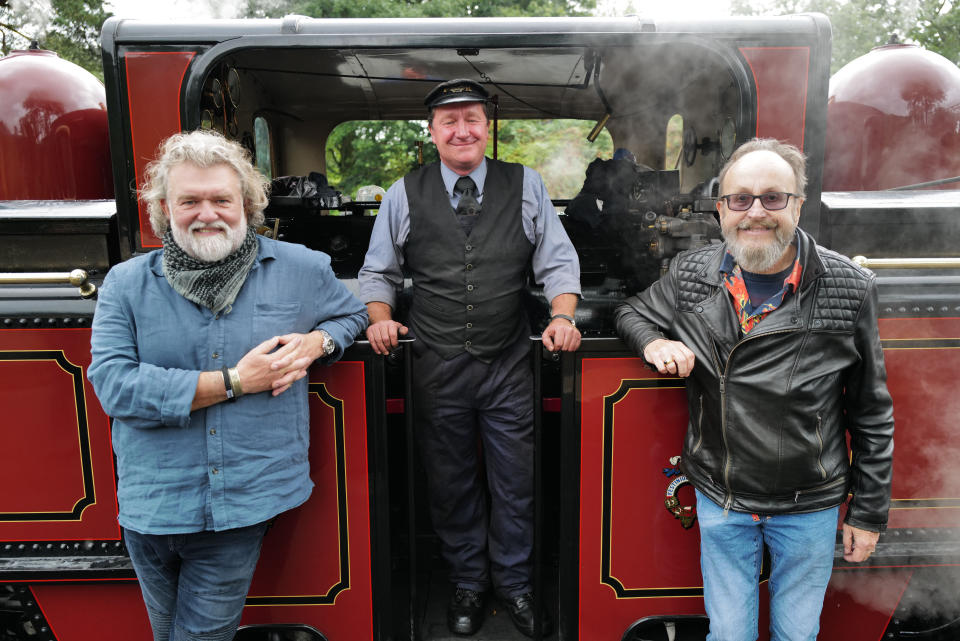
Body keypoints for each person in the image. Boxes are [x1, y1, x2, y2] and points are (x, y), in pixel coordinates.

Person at [88, 130, 367, 641]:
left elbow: (353, 314)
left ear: (248, 203)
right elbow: (115, 387)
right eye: (188, 200)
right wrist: (236, 381)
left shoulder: (303, 269)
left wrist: (319, 343)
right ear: (163, 209)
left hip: (243, 499)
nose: (207, 213)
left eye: (222, 199)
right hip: (151, 505)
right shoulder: (125, 285)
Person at [615, 138, 894, 641]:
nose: (755, 212)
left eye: (772, 198)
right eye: (740, 199)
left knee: (796, 634)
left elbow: (871, 411)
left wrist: (869, 511)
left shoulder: (849, 287)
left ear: (798, 205)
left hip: (808, 503)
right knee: (728, 636)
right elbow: (631, 311)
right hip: (722, 498)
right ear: (721, 209)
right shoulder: (693, 273)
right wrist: (654, 342)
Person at [358, 78, 581, 637]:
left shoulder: (527, 185)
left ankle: (516, 586)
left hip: (509, 364)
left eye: (472, 119)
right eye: (449, 121)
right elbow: (377, 274)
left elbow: (558, 264)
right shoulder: (401, 193)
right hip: (434, 364)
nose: (462, 130)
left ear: (487, 127)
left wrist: (561, 315)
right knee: (451, 482)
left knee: (516, 482)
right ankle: (467, 585)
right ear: (432, 132)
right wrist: (381, 320)